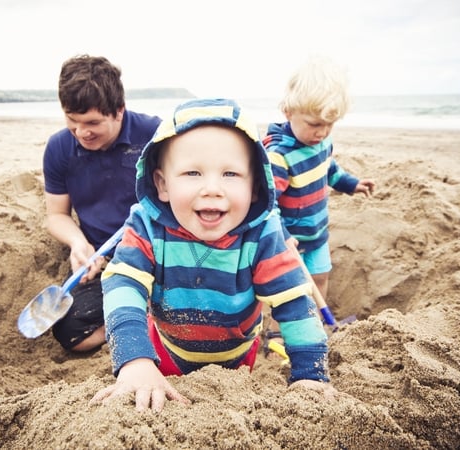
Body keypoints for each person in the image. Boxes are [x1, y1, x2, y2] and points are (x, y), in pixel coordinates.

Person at [90, 98, 338, 412]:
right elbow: (122, 283)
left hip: (236, 362)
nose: (212, 188)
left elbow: (294, 303)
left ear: (256, 188)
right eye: (193, 173)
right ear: (162, 184)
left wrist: (309, 373)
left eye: (231, 174)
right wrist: (136, 361)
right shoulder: (147, 226)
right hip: (165, 351)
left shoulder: (262, 234)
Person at [42, 55, 161, 353]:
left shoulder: (155, 136)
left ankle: (147, 316)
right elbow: (56, 215)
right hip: (103, 258)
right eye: (73, 121)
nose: (82, 132)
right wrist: (78, 243)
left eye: (93, 122)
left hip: (161, 250)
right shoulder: (59, 148)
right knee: (71, 333)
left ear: (119, 111)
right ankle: (144, 319)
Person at [263, 55, 376, 306]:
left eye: (330, 125)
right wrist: (282, 235)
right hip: (288, 239)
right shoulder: (279, 156)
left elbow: (328, 168)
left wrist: (350, 184)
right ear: (288, 112)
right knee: (292, 290)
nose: (322, 132)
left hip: (317, 232)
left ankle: (316, 325)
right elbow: (266, 203)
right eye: (314, 124)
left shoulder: (321, 142)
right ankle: (278, 334)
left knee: (320, 278)